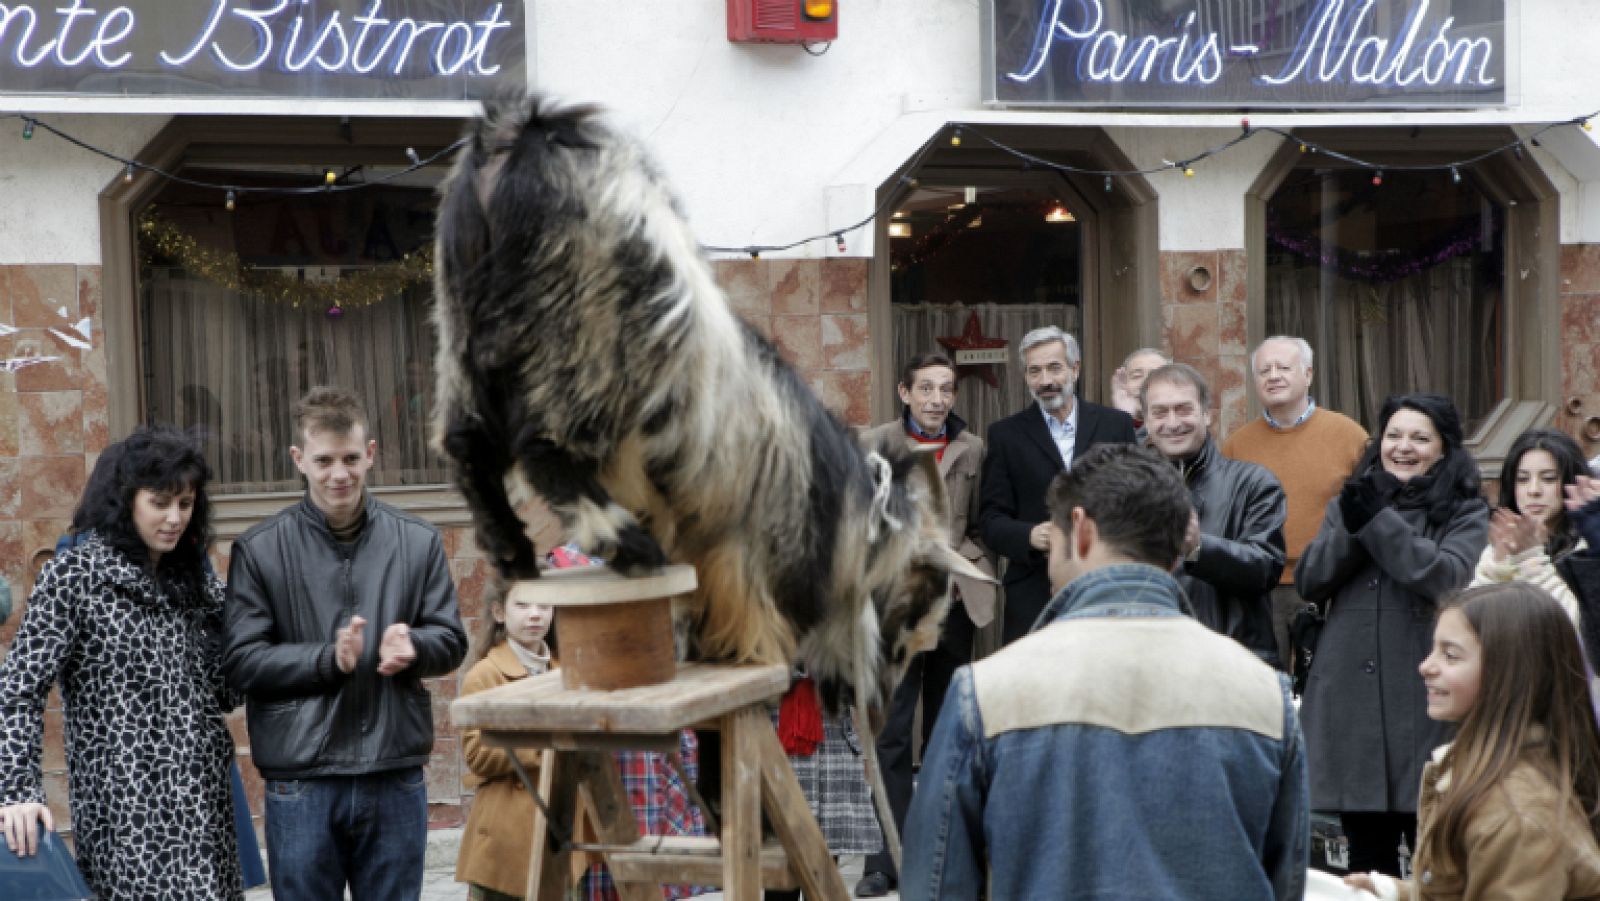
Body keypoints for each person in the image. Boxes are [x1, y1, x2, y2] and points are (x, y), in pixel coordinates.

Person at [903, 444, 1307, 900]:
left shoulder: (984, 692)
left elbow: (936, 886)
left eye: (1052, 539)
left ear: (1080, 531)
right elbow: (1285, 884)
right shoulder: (1265, 695)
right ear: (1179, 549)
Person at [223, 386, 467, 901]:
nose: (340, 474)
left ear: (371, 453)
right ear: (299, 460)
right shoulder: (260, 549)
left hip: (393, 771)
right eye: (325, 460)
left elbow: (451, 639)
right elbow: (242, 662)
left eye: (351, 458)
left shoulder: (418, 541)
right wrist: (326, 659)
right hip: (301, 780)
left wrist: (416, 646)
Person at [0, 427, 242, 899]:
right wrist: (17, 791)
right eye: (160, 503)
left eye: (186, 504)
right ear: (127, 500)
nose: (174, 518)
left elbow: (225, 689)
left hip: (202, 799)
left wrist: (238, 624)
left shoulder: (194, 580)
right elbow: (19, 689)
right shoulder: (75, 576)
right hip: (126, 810)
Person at [1295, 393, 1489, 878]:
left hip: (1425, 704)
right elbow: (1311, 579)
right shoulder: (1352, 500)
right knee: (1364, 864)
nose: (1403, 447)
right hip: (1352, 707)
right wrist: (1357, 521)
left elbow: (1447, 577)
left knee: (1436, 862)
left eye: (1420, 438)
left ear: (1443, 449)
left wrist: (1378, 522)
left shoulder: (1465, 510)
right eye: (1393, 435)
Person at [1344, 584, 1600, 899]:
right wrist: (1394, 892)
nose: (1425, 666)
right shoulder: (1485, 772)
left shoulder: (1517, 814)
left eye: (1450, 655)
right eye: (1433, 649)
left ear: (1508, 672)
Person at [856, 351, 994, 897]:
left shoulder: (973, 448)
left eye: (946, 389)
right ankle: (885, 860)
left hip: (954, 605)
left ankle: (943, 853)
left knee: (947, 732)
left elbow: (982, 524)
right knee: (890, 735)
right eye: (927, 388)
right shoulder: (873, 444)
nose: (938, 399)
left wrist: (964, 562)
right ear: (904, 392)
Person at [979, 326, 1137, 644]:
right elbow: (991, 520)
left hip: (1108, 586)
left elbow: (1136, 501)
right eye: (1034, 371)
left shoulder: (1115, 424)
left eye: (1054, 368)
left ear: (1075, 369)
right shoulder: (1005, 435)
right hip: (1034, 594)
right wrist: (1028, 535)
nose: (1045, 380)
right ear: (1026, 377)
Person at [1222, 336, 1369, 669]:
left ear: (1308, 374)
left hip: (1330, 583)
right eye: (1264, 371)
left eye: (1284, 368)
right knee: (1266, 681)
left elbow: (1369, 509)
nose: (1273, 376)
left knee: (1327, 679)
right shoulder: (1237, 445)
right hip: (1262, 588)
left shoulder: (1349, 435)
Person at [1144, 363, 1288, 665]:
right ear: (1146, 420)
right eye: (1160, 412)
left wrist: (1198, 548)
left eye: (1183, 409)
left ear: (1207, 414)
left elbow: (1265, 568)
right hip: (1153, 659)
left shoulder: (1254, 482)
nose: (1173, 423)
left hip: (1233, 663)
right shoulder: (1129, 488)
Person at [456, 581, 556, 901]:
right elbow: (476, 753)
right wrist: (543, 743)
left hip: (557, 830)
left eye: (544, 605)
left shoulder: (563, 672)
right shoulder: (485, 675)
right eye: (522, 605)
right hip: (505, 832)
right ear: (499, 612)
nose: (535, 614)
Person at [1109, 346, 1170, 438]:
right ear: (1123, 384)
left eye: (1155, 375)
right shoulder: (1104, 429)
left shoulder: (1180, 425)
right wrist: (1125, 419)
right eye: (1136, 376)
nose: (1144, 383)